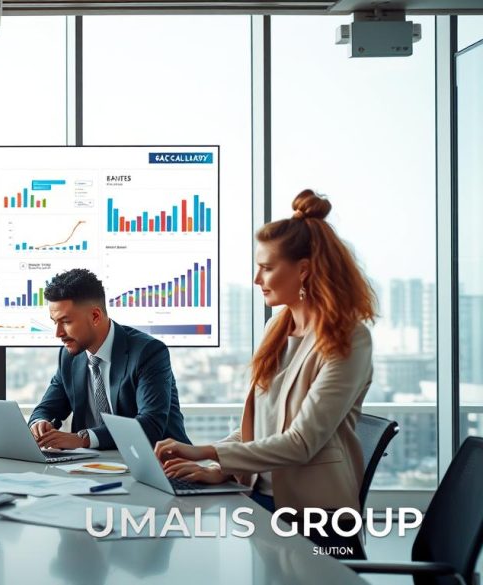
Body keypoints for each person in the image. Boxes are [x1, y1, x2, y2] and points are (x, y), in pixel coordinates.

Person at [154, 189, 376, 525]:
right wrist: (218, 467)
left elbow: (301, 443)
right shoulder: (277, 327)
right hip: (258, 498)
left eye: (267, 268)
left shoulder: (349, 339)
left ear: (303, 270)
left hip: (314, 515)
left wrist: (207, 452)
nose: (257, 279)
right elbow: (257, 428)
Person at [28, 268, 191, 450]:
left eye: (66, 322)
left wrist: (84, 439)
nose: (58, 333)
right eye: (54, 322)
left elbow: (150, 425)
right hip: (92, 467)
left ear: (95, 316)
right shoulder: (69, 356)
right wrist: (39, 423)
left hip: (162, 464)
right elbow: (47, 408)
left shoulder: (148, 352)